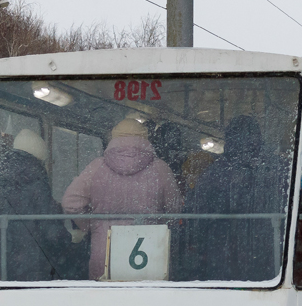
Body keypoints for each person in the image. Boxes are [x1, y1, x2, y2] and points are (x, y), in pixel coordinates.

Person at [62, 118, 182, 279]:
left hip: (105, 251)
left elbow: (70, 203)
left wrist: (93, 226)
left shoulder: (97, 167)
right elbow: (175, 210)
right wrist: (159, 226)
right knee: (149, 301)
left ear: (114, 138)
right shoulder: (161, 169)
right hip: (150, 252)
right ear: (145, 138)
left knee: (107, 301)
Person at [182, 115, 286, 281]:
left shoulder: (215, 172)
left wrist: (201, 246)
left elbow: (198, 215)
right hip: (263, 246)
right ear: (258, 138)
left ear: (229, 138)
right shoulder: (274, 169)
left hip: (221, 249)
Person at [0, 129, 75, 281]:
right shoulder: (35, 176)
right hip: (30, 260)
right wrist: (67, 240)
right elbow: (48, 227)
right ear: (40, 155)